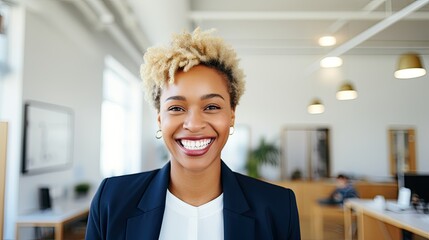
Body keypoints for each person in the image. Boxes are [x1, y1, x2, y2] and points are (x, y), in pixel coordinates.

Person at [85, 28, 300, 240]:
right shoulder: (112, 200)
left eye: (212, 107)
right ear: (160, 119)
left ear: (232, 115)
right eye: (177, 108)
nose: (194, 124)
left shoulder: (278, 208)